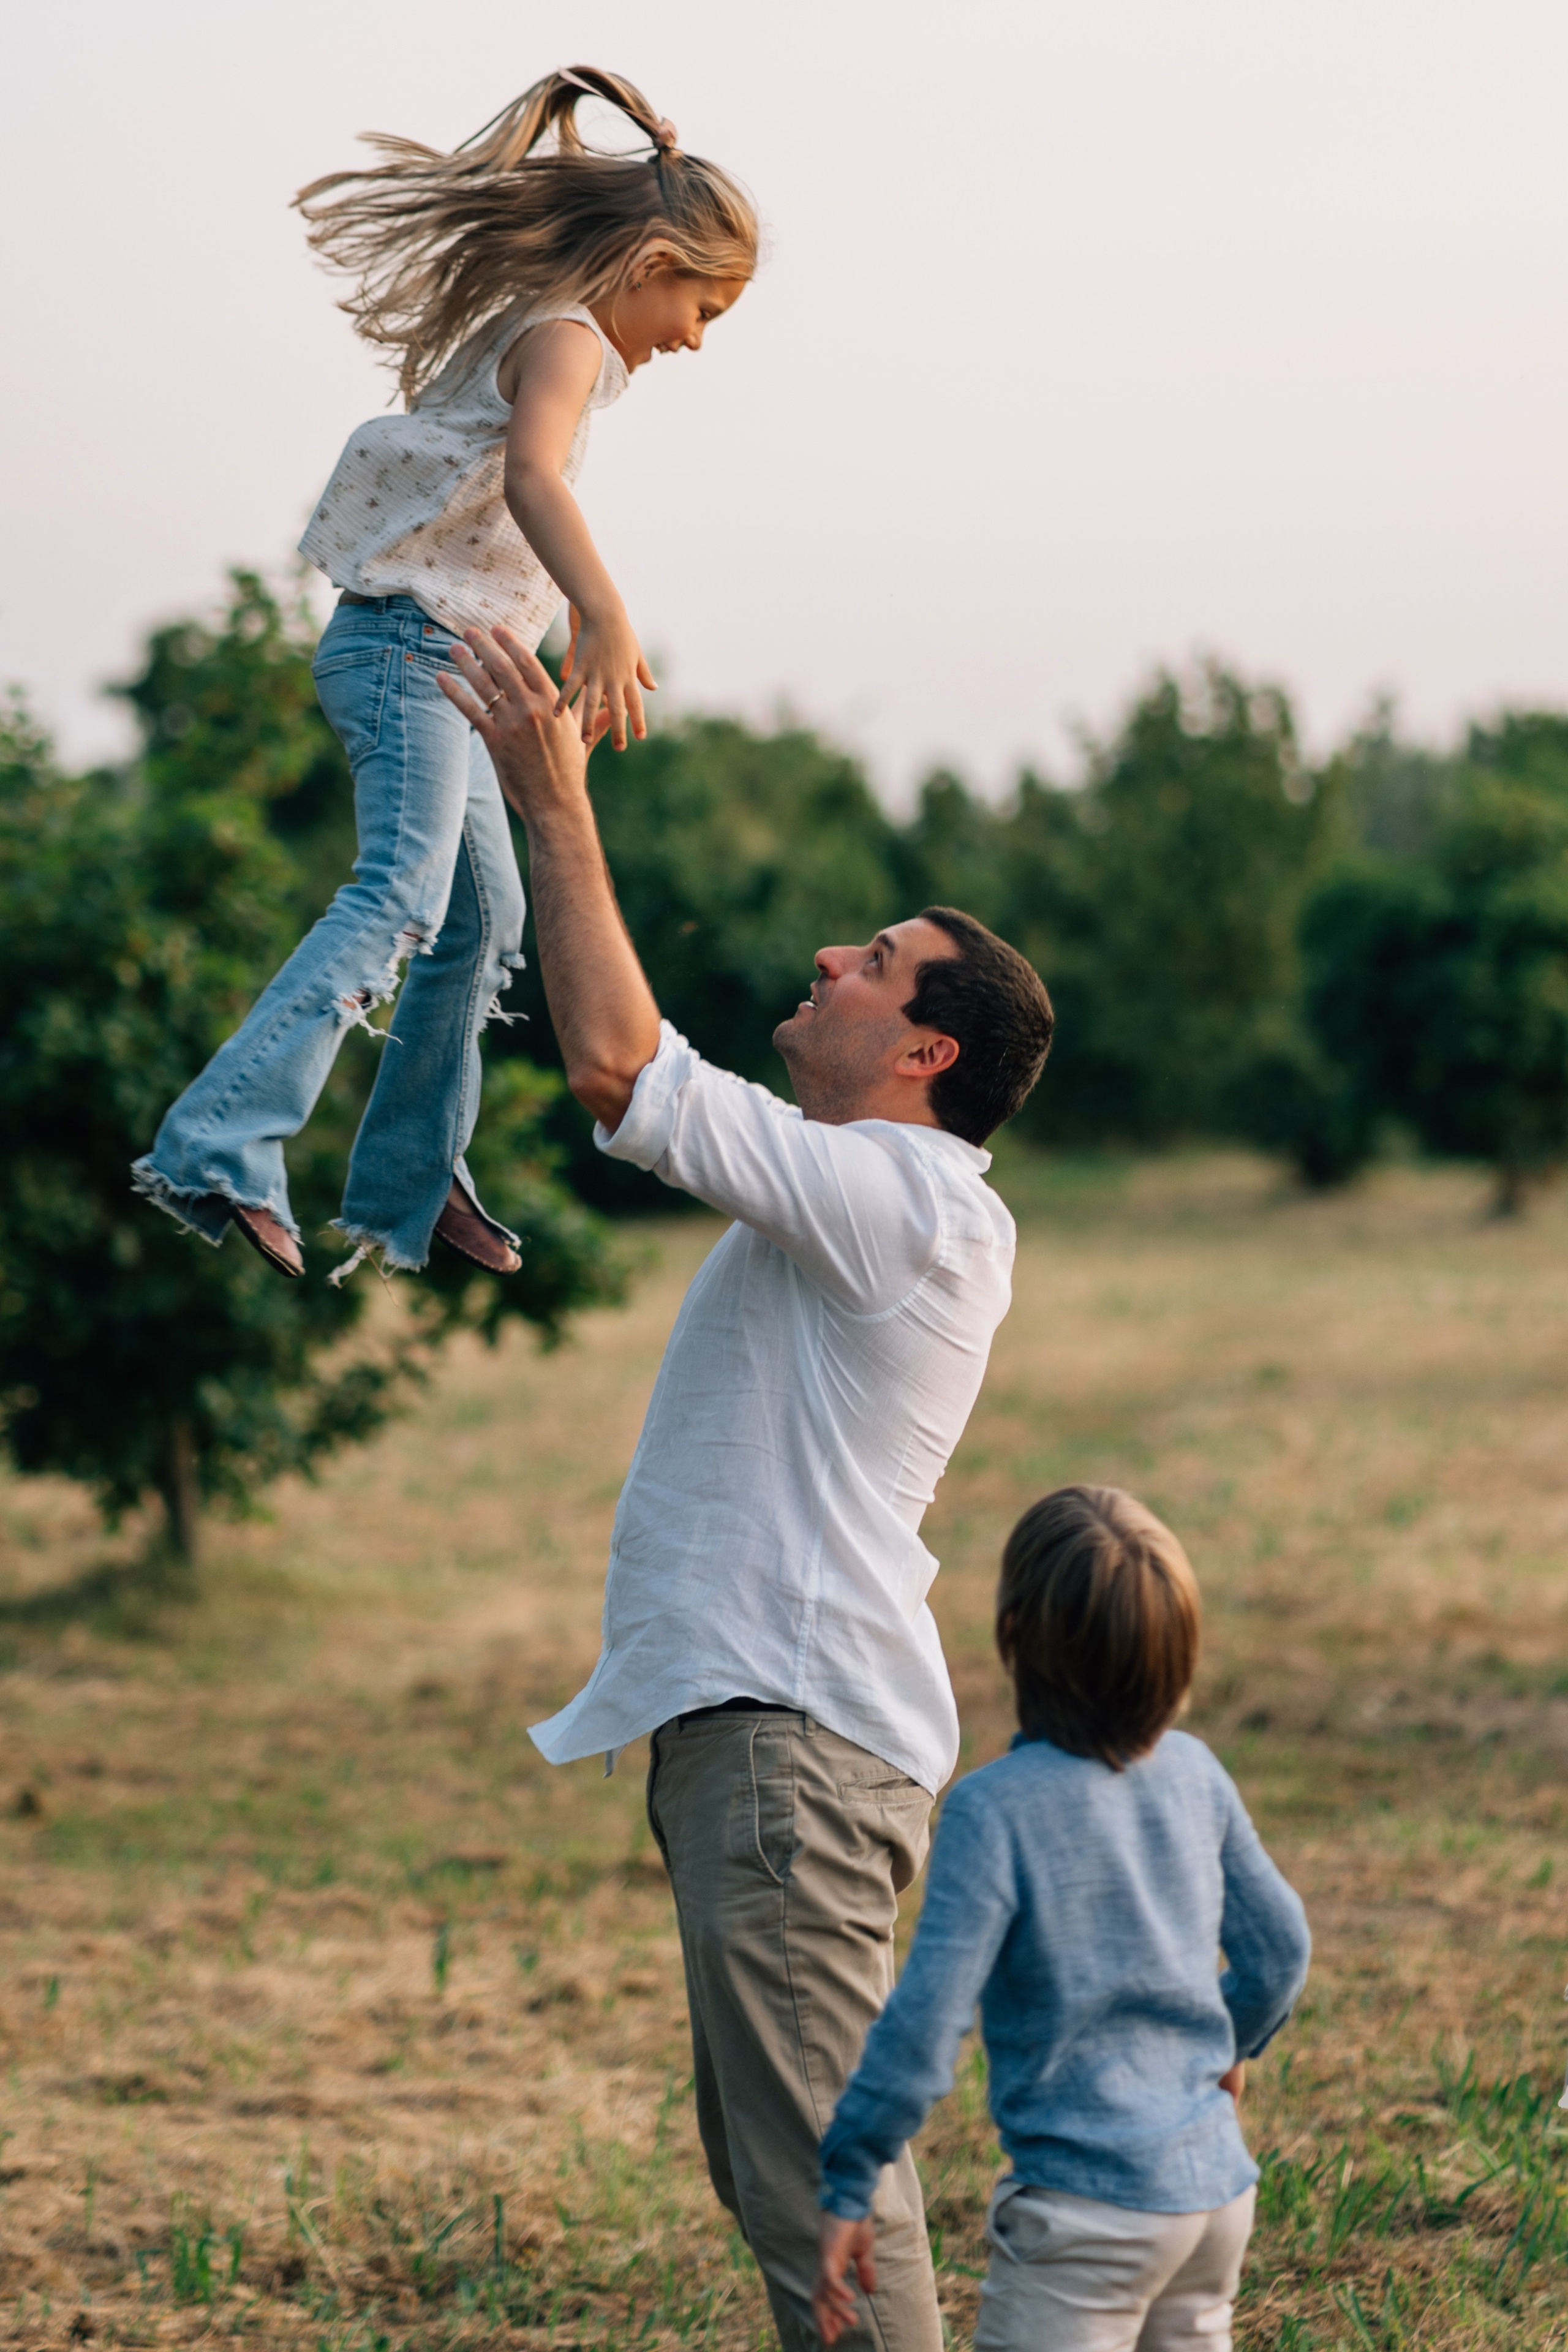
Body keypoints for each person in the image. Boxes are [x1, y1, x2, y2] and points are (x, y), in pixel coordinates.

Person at [436, 620, 1055, 2352]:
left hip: (795, 1747)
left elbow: (626, 1073)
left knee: (829, 2214)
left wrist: (554, 799)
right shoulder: (852, 1196)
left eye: (873, 962)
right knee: (797, 2188)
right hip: (771, 1743)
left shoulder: (917, 1206)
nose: (829, 956)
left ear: (928, 1052)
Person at [132, 67, 755, 1284]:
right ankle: (220, 1142)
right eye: (702, 308)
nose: (694, 339)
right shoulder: (567, 335)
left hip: (448, 663)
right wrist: (601, 608)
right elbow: (533, 478)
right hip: (403, 650)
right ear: (651, 260)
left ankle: (412, 1181)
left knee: (487, 921)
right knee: (403, 897)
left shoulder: (562, 330)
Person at [812, 1486, 1311, 2352]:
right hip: (1214, 2199)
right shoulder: (1197, 1775)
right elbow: (1281, 1953)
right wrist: (1223, 2048)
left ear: (1013, 1637)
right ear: (1180, 1654)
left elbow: (927, 2025)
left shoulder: (992, 1812)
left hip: (1086, 2220)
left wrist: (852, 2177)